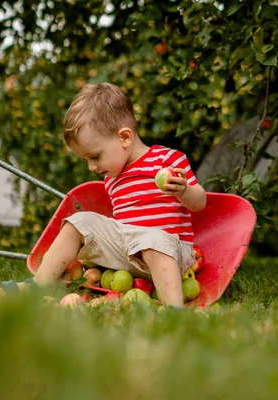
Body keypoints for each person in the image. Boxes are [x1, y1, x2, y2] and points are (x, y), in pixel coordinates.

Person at [32, 82, 206, 308]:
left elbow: (200, 203)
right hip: (129, 253)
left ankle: (172, 311)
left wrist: (184, 190)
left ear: (124, 137)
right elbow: (123, 228)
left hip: (170, 253)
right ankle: (35, 289)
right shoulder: (111, 178)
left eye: (95, 157)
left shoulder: (168, 161)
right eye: (86, 160)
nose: (91, 167)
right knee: (79, 222)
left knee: (151, 238)